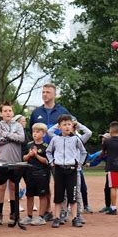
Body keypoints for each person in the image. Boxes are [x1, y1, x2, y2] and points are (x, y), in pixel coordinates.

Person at [29, 83, 70, 221]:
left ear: (54, 94)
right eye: (43, 92)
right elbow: (32, 131)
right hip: (41, 154)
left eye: (48, 92)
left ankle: (63, 211)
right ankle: (47, 211)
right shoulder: (36, 113)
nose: (45, 94)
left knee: (61, 183)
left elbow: (70, 129)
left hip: (58, 153)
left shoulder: (62, 111)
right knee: (44, 185)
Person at [46, 114, 87, 228]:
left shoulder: (75, 139)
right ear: (59, 127)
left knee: (72, 195)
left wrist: (79, 163)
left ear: (72, 126)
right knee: (58, 196)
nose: (67, 127)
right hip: (58, 169)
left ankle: (75, 218)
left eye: (69, 124)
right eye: (64, 125)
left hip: (72, 170)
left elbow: (83, 152)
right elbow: (48, 152)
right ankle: (57, 218)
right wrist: (51, 161)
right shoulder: (55, 139)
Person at [0, 102, 25, 225]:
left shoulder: (18, 125)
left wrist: (5, 134)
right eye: (5, 111)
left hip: (15, 161)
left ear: (13, 112)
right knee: (1, 187)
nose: (8, 113)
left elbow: (21, 139)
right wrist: (13, 137)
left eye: (10, 111)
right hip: (1, 162)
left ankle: (14, 213)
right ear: (1, 113)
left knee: (13, 187)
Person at [22, 123, 50, 226]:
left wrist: (36, 155)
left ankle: (41, 217)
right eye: (34, 131)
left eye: (38, 132)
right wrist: (29, 155)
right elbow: (23, 158)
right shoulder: (29, 145)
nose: (35, 134)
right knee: (29, 195)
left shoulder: (46, 146)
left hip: (42, 174)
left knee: (42, 195)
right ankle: (29, 216)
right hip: (30, 173)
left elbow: (47, 161)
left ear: (43, 134)